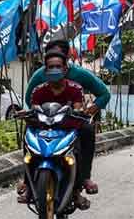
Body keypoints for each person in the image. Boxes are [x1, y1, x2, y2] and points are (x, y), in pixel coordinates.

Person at [24, 39, 108, 194]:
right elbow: (29, 100)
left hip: (71, 122)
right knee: (28, 132)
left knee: (87, 131)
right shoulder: (39, 78)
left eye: (59, 62)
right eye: (51, 62)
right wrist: (33, 115)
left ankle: (84, 177)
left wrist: (89, 110)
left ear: (66, 59)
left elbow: (104, 93)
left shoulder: (79, 77)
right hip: (46, 121)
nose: (54, 66)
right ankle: (28, 183)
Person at [17, 49, 95, 210]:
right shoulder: (38, 90)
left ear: (65, 69)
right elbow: (33, 109)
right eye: (50, 67)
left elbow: (78, 108)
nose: (54, 70)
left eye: (58, 66)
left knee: (86, 132)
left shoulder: (75, 89)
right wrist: (27, 114)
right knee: (27, 135)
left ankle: (79, 186)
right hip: (44, 128)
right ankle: (29, 185)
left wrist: (79, 112)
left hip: (67, 128)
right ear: (45, 70)